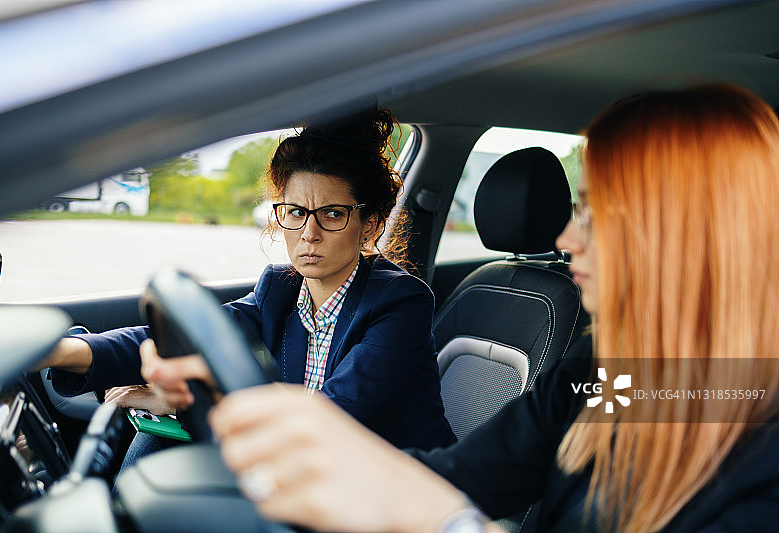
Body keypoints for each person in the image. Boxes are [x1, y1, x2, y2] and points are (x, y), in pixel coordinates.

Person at [206, 84, 779, 533]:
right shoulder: (604, 373)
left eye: (599, 216)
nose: (568, 240)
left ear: (690, 237)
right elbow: (469, 474)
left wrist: (445, 523)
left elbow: (446, 502)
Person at [44, 107, 456, 462]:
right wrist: (60, 350)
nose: (308, 233)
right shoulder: (278, 290)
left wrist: (185, 402)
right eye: (295, 212)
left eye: (331, 214)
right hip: (306, 470)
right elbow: (189, 337)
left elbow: (332, 416)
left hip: (395, 489)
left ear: (369, 226)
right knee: (154, 443)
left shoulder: (401, 302)